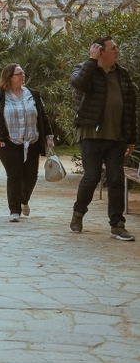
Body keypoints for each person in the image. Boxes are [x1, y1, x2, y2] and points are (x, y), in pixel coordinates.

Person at [69, 37, 137, 241]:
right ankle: (78, 212)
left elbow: (130, 108)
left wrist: (131, 138)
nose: (117, 51)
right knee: (92, 176)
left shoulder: (122, 74)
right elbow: (79, 84)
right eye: (113, 48)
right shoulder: (84, 68)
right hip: (92, 135)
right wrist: (92, 60)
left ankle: (117, 225)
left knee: (116, 179)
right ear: (100, 52)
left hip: (117, 137)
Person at [0, 64, 54, 223]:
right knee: (14, 176)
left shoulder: (33, 95)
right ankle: (14, 210)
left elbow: (43, 117)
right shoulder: (0, 96)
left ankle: (23, 200)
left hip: (31, 141)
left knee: (31, 177)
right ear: (9, 77)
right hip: (8, 142)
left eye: (23, 73)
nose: (22, 75)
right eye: (18, 74)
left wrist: (49, 137)